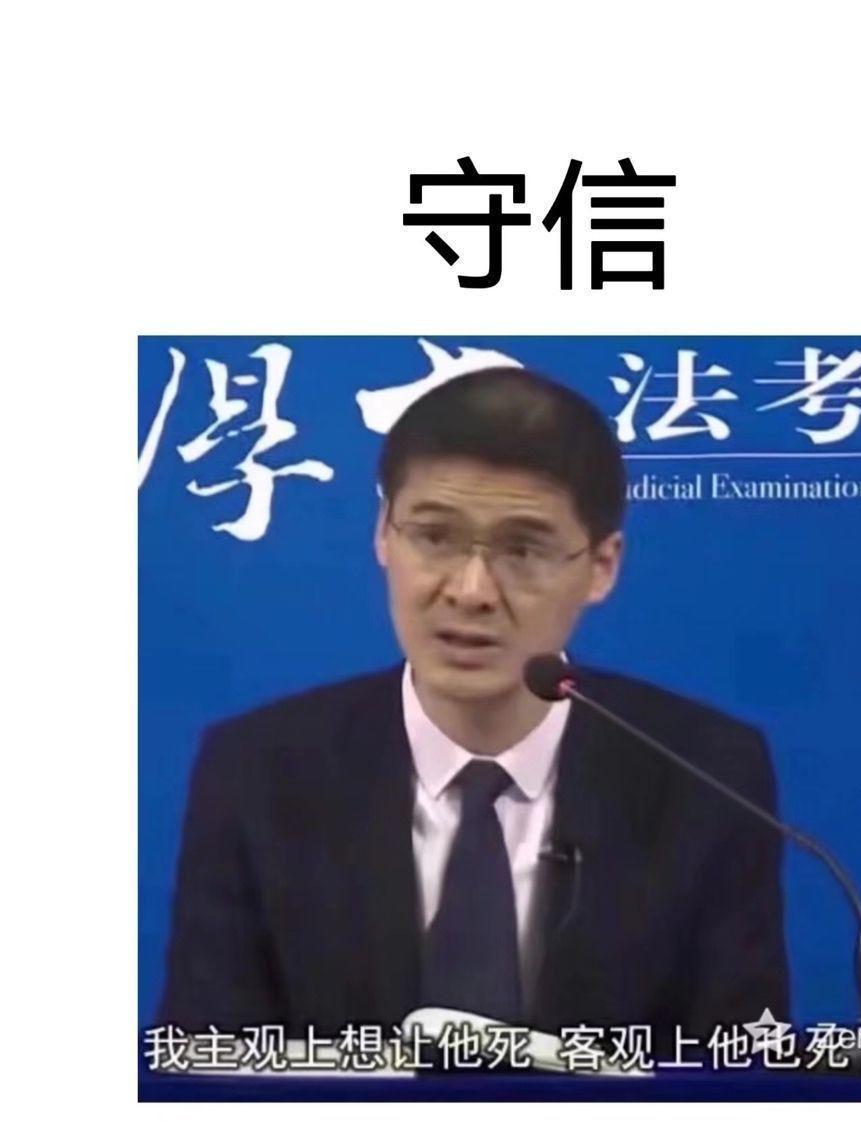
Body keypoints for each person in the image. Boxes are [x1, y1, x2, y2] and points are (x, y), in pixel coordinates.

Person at [158, 365, 789, 1054]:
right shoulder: (258, 772)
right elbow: (204, 1062)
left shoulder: (704, 777)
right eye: (434, 537)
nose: (471, 591)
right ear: (383, 534)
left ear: (601, 566)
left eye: (523, 549)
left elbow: (741, 1067)